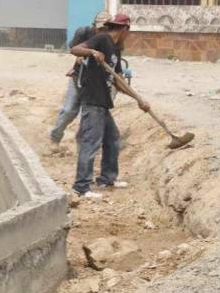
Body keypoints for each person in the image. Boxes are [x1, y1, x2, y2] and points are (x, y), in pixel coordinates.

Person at [69, 13, 150, 198]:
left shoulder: (116, 49)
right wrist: (92, 52)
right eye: (128, 32)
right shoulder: (102, 38)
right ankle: (81, 186)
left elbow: (118, 80)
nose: (128, 35)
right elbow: (75, 49)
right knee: (91, 142)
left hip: (103, 101)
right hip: (92, 99)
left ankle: (107, 178)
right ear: (125, 29)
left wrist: (138, 99)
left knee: (112, 139)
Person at [50, 11, 111, 144]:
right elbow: (74, 49)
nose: (103, 31)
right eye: (100, 28)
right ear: (94, 26)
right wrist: (81, 56)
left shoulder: (111, 41)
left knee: (90, 113)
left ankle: (82, 142)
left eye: (107, 28)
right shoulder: (83, 32)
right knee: (69, 110)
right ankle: (55, 136)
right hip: (78, 76)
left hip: (96, 83)